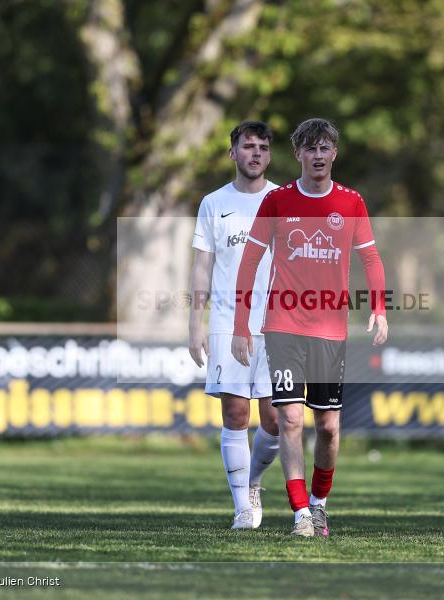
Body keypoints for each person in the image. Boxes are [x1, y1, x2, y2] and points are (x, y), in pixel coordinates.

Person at [231, 118, 387, 537]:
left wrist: (379, 308)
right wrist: (241, 325)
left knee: (329, 427)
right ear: (297, 153)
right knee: (290, 420)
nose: (318, 156)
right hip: (282, 327)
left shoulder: (351, 202)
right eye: (310, 148)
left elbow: (371, 259)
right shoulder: (278, 201)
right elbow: (249, 261)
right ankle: (300, 512)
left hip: (331, 330)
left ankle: (319, 502)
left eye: (325, 148)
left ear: (334, 153)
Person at [189, 121, 280, 530]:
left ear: (270, 155)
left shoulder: (283, 199)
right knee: (236, 413)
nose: (255, 153)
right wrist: (196, 324)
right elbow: (202, 267)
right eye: (248, 146)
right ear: (233, 154)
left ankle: (254, 480)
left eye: (262, 147)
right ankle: (242, 506)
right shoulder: (212, 203)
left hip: (277, 322)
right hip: (228, 322)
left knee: (276, 420)